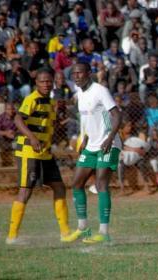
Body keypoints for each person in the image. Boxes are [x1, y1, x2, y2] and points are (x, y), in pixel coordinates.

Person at [6, 68, 70, 245]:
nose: (46, 84)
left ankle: (65, 233)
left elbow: (49, 125)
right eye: (42, 81)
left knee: (59, 187)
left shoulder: (50, 102)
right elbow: (18, 119)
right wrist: (32, 138)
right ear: (36, 83)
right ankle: (12, 236)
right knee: (26, 191)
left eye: (49, 81)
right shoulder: (32, 99)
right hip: (29, 151)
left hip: (45, 153)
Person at [62, 62, 121, 244]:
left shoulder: (100, 90)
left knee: (101, 184)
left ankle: (104, 232)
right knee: (76, 184)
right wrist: (85, 139)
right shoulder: (80, 93)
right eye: (74, 74)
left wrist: (110, 138)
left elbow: (117, 115)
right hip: (91, 144)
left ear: (89, 73)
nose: (76, 76)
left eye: (80, 72)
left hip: (108, 144)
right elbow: (87, 119)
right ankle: (83, 228)